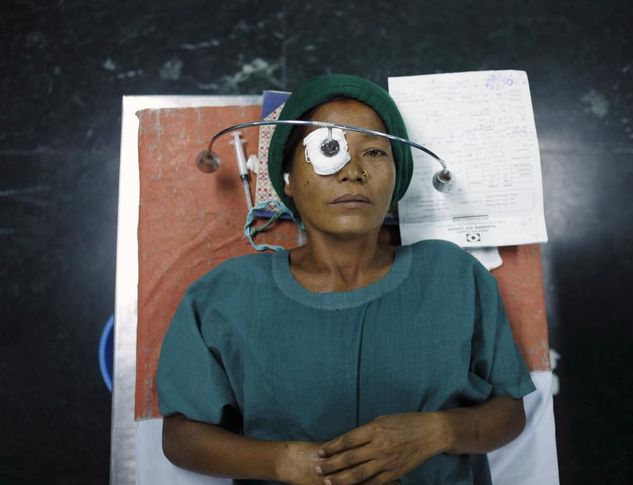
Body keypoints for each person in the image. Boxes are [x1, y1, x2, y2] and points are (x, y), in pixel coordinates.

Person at [157, 74, 536, 484]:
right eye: (330, 150)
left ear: (397, 178)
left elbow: (508, 412)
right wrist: (280, 461)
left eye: (374, 152)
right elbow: (181, 438)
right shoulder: (226, 296)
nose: (353, 172)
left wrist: (438, 432)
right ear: (287, 181)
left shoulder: (454, 277)